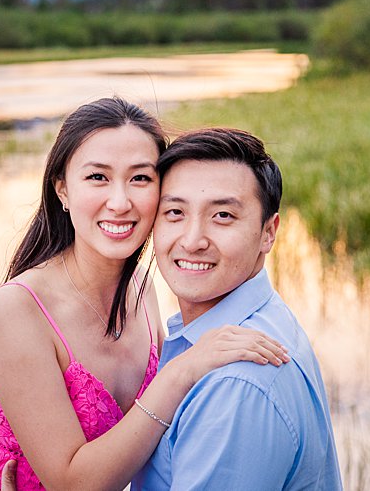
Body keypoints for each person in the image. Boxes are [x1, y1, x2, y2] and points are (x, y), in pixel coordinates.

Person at [0, 99, 293, 491]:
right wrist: (181, 371)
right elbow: (73, 484)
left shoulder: (141, 289)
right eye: (98, 177)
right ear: (63, 189)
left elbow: (153, 440)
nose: (120, 202)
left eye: (140, 178)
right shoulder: (17, 310)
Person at [130, 127, 341, 490]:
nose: (192, 240)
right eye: (175, 212)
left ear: (268, 232)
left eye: (223, 216)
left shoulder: (235, 384)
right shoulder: (262, 319)